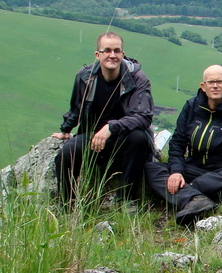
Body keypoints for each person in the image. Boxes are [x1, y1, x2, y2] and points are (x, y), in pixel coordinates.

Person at [145, 64, 222, 224]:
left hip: (221, 171)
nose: (215, 86)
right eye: (210, 82)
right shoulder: (191, 107)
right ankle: (197, 198)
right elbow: (177, 143)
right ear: (203, 86)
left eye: (220, 81)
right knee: (150, 168)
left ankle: (186, 194)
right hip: (193, 166)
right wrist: (176, 171)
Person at [52, 31, 155, 209]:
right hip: (93, 138)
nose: (112, 55)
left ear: (123, 54)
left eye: (117, 50)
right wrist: (66, 130)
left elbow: (143, 117)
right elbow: (76, 107)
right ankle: (68, 205)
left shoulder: (137, 78)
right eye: (107, 50)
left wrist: (111, 127)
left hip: (126, 139)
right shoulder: (85, 77)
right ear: (97, 55)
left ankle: (126, 199)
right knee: (66, 154)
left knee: (139, 138)